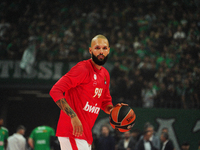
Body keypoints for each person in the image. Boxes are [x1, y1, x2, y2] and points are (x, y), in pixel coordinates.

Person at [49, 34, 125, 150]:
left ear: (108, 51)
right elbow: (55, 91)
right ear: (90, 50)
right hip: (72, 132)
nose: (101, 51)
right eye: (97, 48)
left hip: (85, 134)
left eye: (104, 48)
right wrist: (73, 116)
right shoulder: (82, 69)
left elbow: (105, 102)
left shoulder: (105, 74)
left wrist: (113, 111)